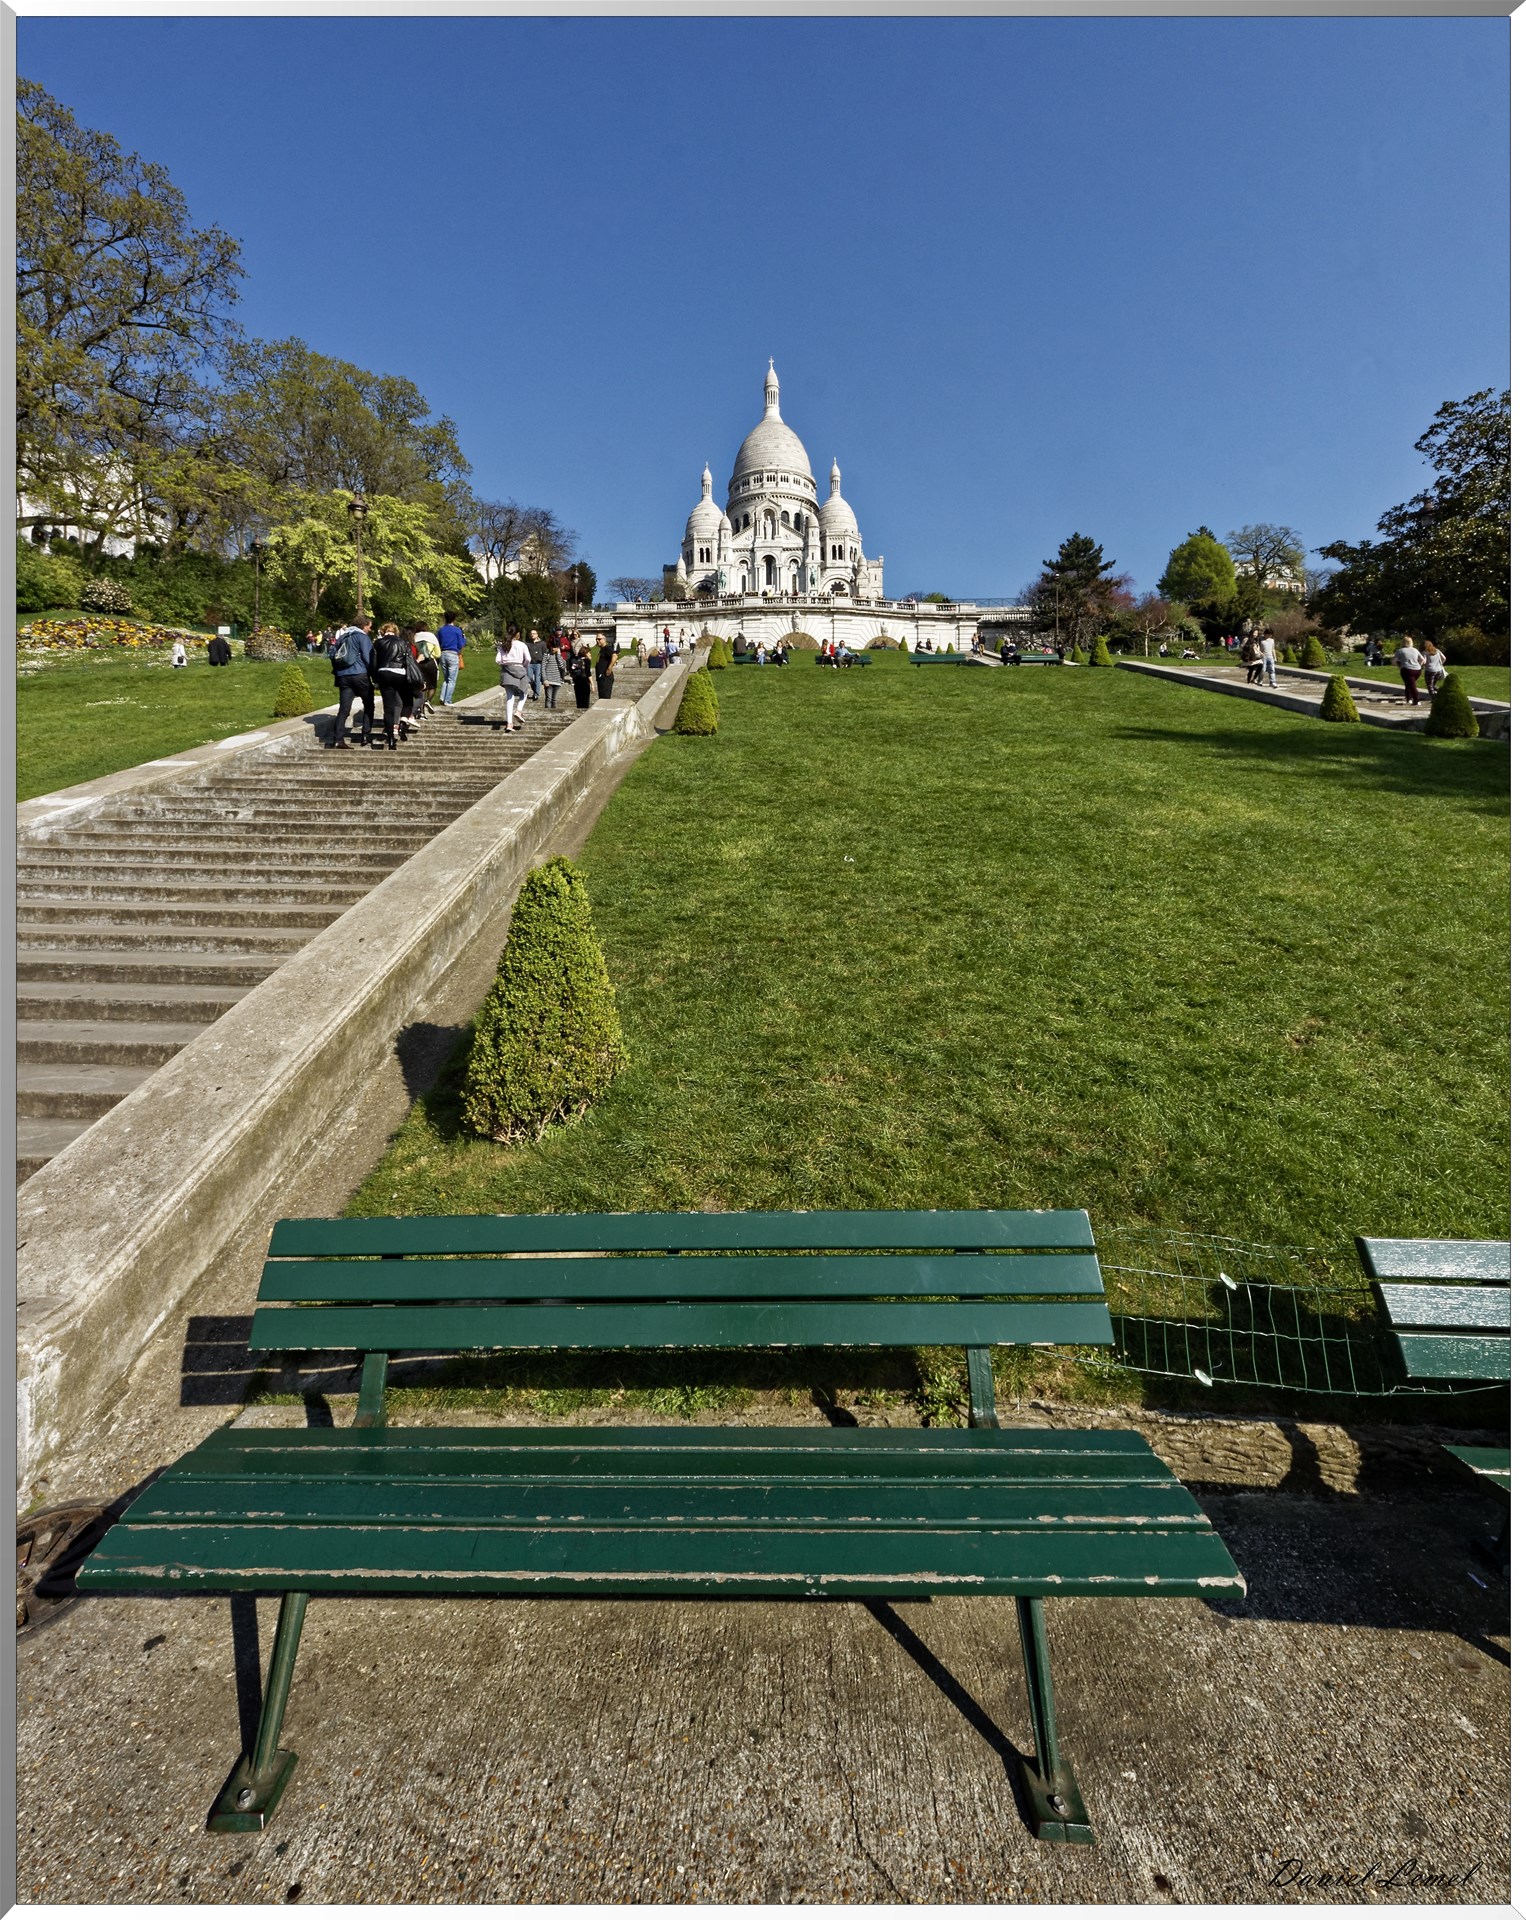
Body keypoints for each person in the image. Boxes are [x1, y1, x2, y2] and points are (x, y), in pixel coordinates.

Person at [327, 615, 375, 747]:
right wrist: (373, 674)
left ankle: (338, 740)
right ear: (364, 625)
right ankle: (365, 735)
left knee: (344, 709)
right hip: (360, 674)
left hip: (343, 676)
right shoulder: (362, 637)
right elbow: (368, 657)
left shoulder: (343, 636)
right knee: (368, 705)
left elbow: (332, 654)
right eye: (369, 627)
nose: (370, 629)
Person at [370, 621, 414, 750]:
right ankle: (403, 723)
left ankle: (390, 739)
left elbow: (373, 663)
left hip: (383, 673)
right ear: (395, 631)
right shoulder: (403, 642)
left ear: (383, 631)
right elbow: (410, 661)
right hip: (400, 673)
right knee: (407, 702)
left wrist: (375, 679)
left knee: (388, 709)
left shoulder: (378, 643)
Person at [496, 627, 532, 730]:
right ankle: (519, 710)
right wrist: (524, 666)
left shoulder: (504, 645)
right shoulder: (522, 645)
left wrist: (505, 663)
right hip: (519, 668)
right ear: (518, 634)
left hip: (506, 670)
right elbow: (528, 659)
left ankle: (509, 723)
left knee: (509, 697)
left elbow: (497, 660)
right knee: (524, 692)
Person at [437, 611, 466, 705]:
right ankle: (447, 700)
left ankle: (442, 697)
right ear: (454, 619)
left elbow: (438, 642)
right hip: (453, 654)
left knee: (446, 679)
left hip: (443, 654)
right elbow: (460, 644)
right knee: (451, 680)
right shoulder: (457, 630)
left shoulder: (441, 630)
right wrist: (464, 638)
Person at [412, 621, 440, 715]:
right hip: (430, 662)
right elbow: (438, 654)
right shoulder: (431, 636)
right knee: (432, 685)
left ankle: (421, 711)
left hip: (419, 662)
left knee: (422, 686)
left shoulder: (414, 636)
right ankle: (428, 701)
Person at [1393, 634, 1426, 706]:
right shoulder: (1415, 650)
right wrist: (1419, 665)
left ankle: (1416, 700)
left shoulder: (1400, 651)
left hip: (1407, 670)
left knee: (1412, 685)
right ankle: (1408, 698)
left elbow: (1394, 661)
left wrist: (1399, 666)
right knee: (1408, 684)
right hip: (1417, 670)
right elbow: (1423, 660)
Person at [541, 636, 565, 710]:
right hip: (548, 681)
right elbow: (543, 667)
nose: (553, 649)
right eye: (553, 647)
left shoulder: (559, 656)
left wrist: (558, 655)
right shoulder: (546, 655)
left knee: (554, 700)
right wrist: (544, 679)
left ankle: (554, 713)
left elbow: (562, 667)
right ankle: (548, 713)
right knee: (548, 699)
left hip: (557, 681)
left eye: (556, 647)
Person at [570, 643, 593, 710]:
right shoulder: (587, 661)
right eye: (589, 653)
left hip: (577, 681)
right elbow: (588, 673)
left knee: (579, 699)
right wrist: (592, 684)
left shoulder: (576, 660)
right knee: (585, 700)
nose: (590, 654)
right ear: (585, 653)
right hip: (584, 681)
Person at [527, 629, 547, 703]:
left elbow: (545, 653)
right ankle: (535, 690)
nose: (532, 635)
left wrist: (544, 662)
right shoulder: (528, 644)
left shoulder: (542, 643)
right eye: (531, 633)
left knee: (537, 679)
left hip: (538, 663)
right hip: (529, 663)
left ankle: (536, 694)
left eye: (534, 633)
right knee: (529, 678)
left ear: (537, 634)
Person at [595, 636, 617, 700]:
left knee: (605, 698)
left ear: (604, 639)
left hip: (605, 678)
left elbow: (615, 656)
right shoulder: (601, 649)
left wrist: (609, 668)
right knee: (602, 698)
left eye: (599, 639)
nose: (597, 641)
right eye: (596, 639)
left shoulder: (607, 648)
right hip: (601, 677)